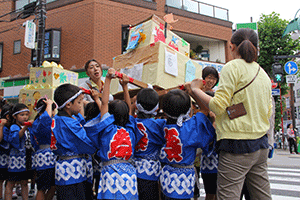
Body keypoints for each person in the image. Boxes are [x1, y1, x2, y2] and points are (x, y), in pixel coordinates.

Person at [190, 28, 272, 200]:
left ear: (232, 47)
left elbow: (218, 106)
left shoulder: (232, 67)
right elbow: (269, 111)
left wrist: (195, 90)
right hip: (260, 145)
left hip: (236, 146)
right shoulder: (262, 73)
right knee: (261, 196)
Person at [85, 68, 143, 200]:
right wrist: (125, 87)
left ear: (110, 115)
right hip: (129, 175)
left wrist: (108, 79)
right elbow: (128, 110)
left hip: (110, 174)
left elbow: (104, 103)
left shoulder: (107, 129)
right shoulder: (131, 129)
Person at [159, 89, 215, 200]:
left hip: (166, 177)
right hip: (185, 180)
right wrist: (193, 90)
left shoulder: (161, 125)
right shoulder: (192, 126)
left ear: (165, 111)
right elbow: (205, 109)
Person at [51, 83, 99, 200]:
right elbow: (88, 144)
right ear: (68, 104)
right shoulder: (70, 124)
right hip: (73, 174)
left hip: (65, 170)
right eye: (79, 102)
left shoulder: (60, 119)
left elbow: (82, 121)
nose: (82, 104)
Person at [133, 88, 166, 200]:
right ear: (156, 108)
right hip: (150, 173)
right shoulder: (160, 125)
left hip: (131, 171)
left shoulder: (131, 122)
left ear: (137, 105)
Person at [5, 103, 37, 200]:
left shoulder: (28, 127)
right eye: (22, 115)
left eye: (26, 115)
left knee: (24, 182)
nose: (25, 117)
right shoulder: (14, 127)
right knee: (11, 182)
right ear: (15, 116)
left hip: (26, 157)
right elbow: (15, 139)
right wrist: (25, 127)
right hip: (16, 159)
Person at [32, 98, 57, 200]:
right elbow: (46, 120)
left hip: (45, 157)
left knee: (52, 186)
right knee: (42, 188)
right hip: (45, 158)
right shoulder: (41, 121)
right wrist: (49, 105)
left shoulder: (37, 121)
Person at [0, 104, 13, 199]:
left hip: (9, 157)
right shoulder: (2, 126)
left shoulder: (12, 127)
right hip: (1, 156)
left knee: (9, 180)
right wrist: (1, 126)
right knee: (0, 179)